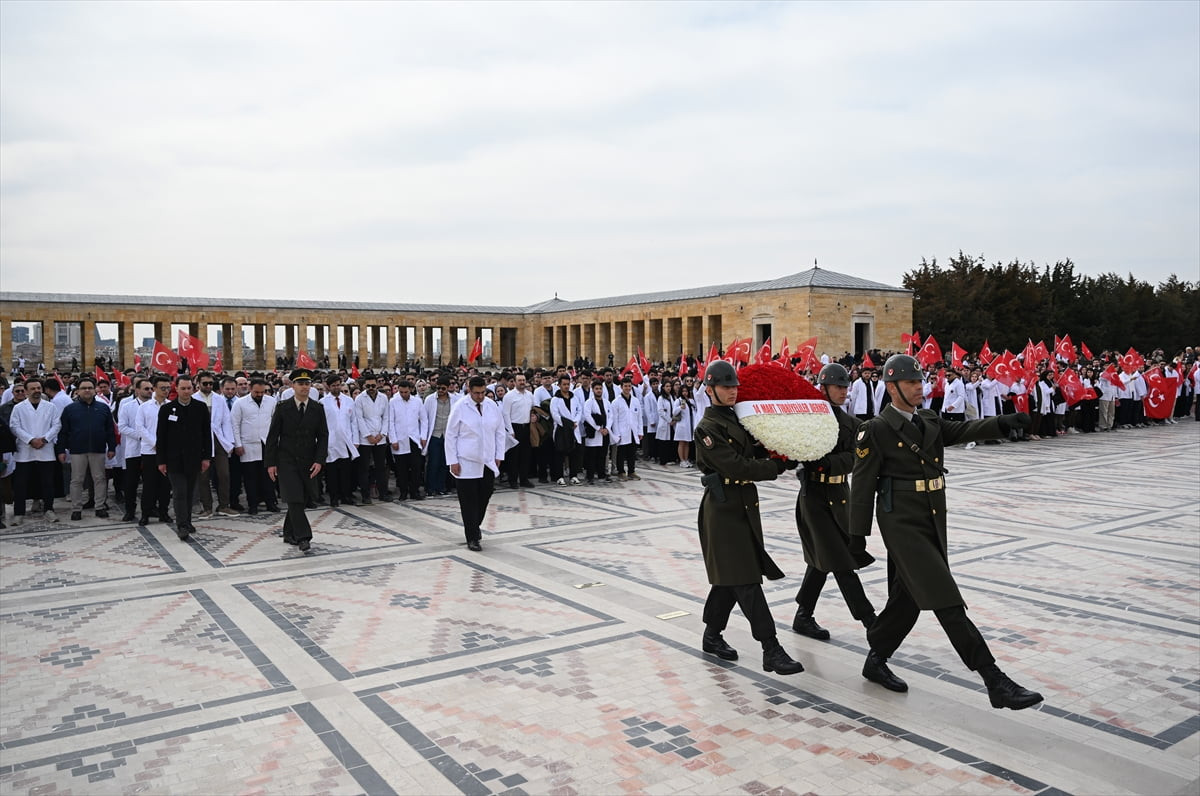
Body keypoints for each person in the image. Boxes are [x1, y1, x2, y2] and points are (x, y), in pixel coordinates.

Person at [850, 354, 1043, 710]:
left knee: (907, 601)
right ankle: (994, 680)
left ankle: (876, 658)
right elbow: (862, 484)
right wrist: (856, 535)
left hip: (931, 518)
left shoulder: (927, 419)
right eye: (910, 382)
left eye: (919, 381)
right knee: (945, 597)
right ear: (891, 388)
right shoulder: (876, 429)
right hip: (901, 524)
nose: (919, 388)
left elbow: (963, 430)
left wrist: (1002, 422)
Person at [693, 360, 804, 676]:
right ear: (710, 389)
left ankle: (712, 635)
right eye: (725, 386)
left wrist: (781, 451)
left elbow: (752, 452)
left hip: (742, 505)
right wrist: (775, 467)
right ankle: (771, 648)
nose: (732, 391)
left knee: (729, 579)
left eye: (734, 386)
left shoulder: (738, 418)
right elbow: (736, 466)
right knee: (745, 580)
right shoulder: (707, 429)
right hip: (722, 510)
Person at [791, 364, 877, 641]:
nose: (843, 391)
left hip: (840, 495)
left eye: (845, 387)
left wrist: (828, 463)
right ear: (823, 388)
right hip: (814, 497)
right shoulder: (809, 420)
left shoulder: (852, 424)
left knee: (823, 559)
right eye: (838, 387)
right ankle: (871, 621)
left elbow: (856, 458)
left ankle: (803, 615)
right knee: (840, 559)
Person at [264, 368, 328, 552]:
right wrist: (270, 463)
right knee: (295, 498)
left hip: (308, 460)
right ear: (293, 386)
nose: (304, 387)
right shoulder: (283, 407)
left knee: (302, 498)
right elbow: (272, 437)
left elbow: (323, 436)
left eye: (307, 383)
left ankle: (288, 532)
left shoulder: (317, 408)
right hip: (287, 460)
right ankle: (303, 537)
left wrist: (319, 460)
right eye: (300, 383)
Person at [443, 376, 507, 551]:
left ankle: (474, 525)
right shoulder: (460, 407)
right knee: (468, 501)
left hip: (487, 460)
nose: (480, 396)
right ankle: (472, 537)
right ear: (469, 390)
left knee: (485, 495)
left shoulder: (491, 405)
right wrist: (452, 461)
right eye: (476, 393)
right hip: (466, 461)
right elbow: (451, 435)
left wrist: (499, 455)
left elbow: (500, 431)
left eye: (482, 393)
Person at [155, 375, 212, 540]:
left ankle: (187, 521)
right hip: (174, 460)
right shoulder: (167, 409)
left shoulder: (200, 407)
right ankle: (182, 525)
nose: (186, 391)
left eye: (189, 388)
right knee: (179, 492)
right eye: (183, 388)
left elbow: (206, 434)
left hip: (194, 459)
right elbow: (161, 436)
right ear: (176, 389)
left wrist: (206, 457)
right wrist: (161, 461)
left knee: (189, 493)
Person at [56, 376, 117, 520]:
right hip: (77, 450)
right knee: (77, 480)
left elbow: (110, 430)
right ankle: (76, 509)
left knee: (99, 478)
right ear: (78, 391)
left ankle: (100, 506)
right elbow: (63, 431)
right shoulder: (70, 409)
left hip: (98, 449)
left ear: (95, 390)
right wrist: (61, 450)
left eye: (90, 388)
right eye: (84, 388)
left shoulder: (103, 408)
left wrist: (112, 447)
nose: (87, 390)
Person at [9, 378, 62, 525]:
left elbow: (57, 425)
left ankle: (49, 509)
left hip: (45, 449)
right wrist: (31, 439)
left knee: (47, 482)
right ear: (26, 391)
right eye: (32, 389)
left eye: (38, 388)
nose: (36, 391)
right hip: (25, 450)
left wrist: (44, 439)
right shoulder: (19, 408)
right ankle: (19, 513)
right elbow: (14, 426)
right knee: (21, 484)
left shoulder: (50, 407)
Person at [232, 378, 279, 515]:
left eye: (262, 392)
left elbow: (275, 423)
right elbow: (235, 425)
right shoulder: (240, 403)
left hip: (266, 444)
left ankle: (270, 502)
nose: (259, 395)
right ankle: (253, 505)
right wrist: (238, 444)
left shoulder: (271, 401)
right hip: (248, 444)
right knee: (250, 477)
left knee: (268, 476)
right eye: (256, 392)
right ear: (250, 389)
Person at [137, 376, 173, 525]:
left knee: (165, 485)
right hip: (150, 451)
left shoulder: (172, 406)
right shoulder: (144, 407)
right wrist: (155, 443)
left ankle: (164, 512)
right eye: (162, 388)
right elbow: (140, 428)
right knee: (149, 484)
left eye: (168, 388)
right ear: (155, 388)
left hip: (167, 451)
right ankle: (146, 513)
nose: (166, 391)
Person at [320, 374, 359, 507]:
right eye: (333, 386)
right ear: (328, 387)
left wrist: (355, 440)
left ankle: (346, 496)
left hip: (346, 440)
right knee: (332, 472)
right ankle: (334, 497)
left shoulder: (348, 401)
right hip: (331, 441)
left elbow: (354, 421)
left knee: (345, 472)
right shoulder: (323, 402)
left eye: (338, 385)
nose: (336, 388)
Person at [354, 372, 391, 504]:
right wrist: (368, 435)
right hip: (366, 438)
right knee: (364, 468)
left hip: (380, 437)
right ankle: (365, 495)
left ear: (377, 385)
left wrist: (382, 434)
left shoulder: (383, 398)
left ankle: (383, 493)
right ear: (364, 385)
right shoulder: (359, 399)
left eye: (373, 386)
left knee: (381, 467)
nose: (371, 388)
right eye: (368, 386)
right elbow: (359, 419)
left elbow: (386, 417)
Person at [388, 380, 427, 500]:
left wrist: (423, 437)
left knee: (416, 467)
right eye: (401, 392)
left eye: (406, 392)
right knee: (401, 468)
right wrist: (393, 439)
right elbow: (391, 422)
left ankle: (415, 491)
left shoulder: (417, 401)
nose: (404, 394)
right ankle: (403, 492)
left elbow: (424, 420)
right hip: (400, 439)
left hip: (414, 439)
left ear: (410, 390)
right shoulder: (393, 402)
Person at [608, 377, 642, 480]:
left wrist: (640, 431)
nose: (627, 388)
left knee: (632, 452)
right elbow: (614, 419)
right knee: (621, 453)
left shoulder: (635, 401)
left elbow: (639, 417)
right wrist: (617, 433)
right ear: (621, 387)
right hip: (621, 431)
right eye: (625, 386)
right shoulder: (616, 402)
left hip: (633, 430)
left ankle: (631, 471)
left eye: (629, 386)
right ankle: (621, 471)